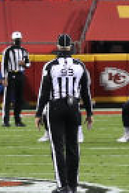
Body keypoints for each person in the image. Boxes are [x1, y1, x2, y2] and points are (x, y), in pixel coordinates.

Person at [37, 34, 93, 193]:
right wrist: (89, 113)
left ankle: (62, 186)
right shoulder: (80, 65)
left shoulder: (50, 65)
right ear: (70, 47)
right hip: (73, 106)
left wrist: (38, 113)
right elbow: (86, 92)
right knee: (73, 147)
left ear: (58, 46)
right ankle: (73, 185)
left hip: (56, 106)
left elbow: (44, 91)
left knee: (57, 148)